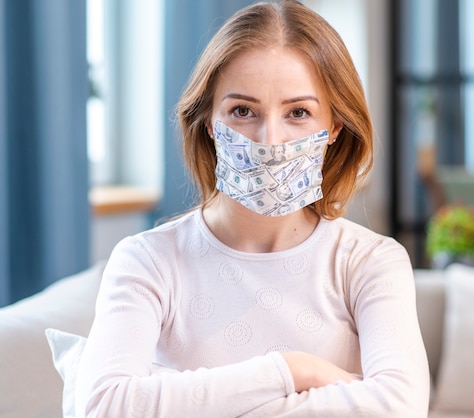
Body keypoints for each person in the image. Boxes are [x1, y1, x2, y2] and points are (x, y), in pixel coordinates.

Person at [75, 1, 430, 416]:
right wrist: (293, 371)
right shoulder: (147, 260)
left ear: (334, 126)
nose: (270, 140)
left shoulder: (370, 262)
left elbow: (399, 408)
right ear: (209, 120)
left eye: (298, 113)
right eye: (243, 111)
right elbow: (101, 408)